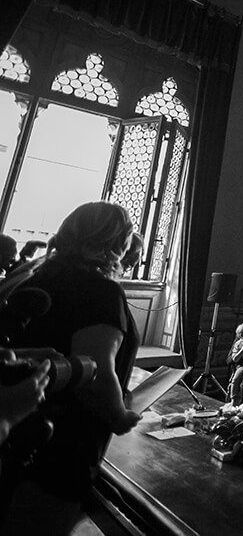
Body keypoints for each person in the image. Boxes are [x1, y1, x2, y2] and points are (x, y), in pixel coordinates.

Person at [2, 202, 141, 535]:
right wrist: (121, 417)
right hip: (62, 447)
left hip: (17, 430)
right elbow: (95, 374)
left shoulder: (34, 274)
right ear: (117, 241)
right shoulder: (99, 291)